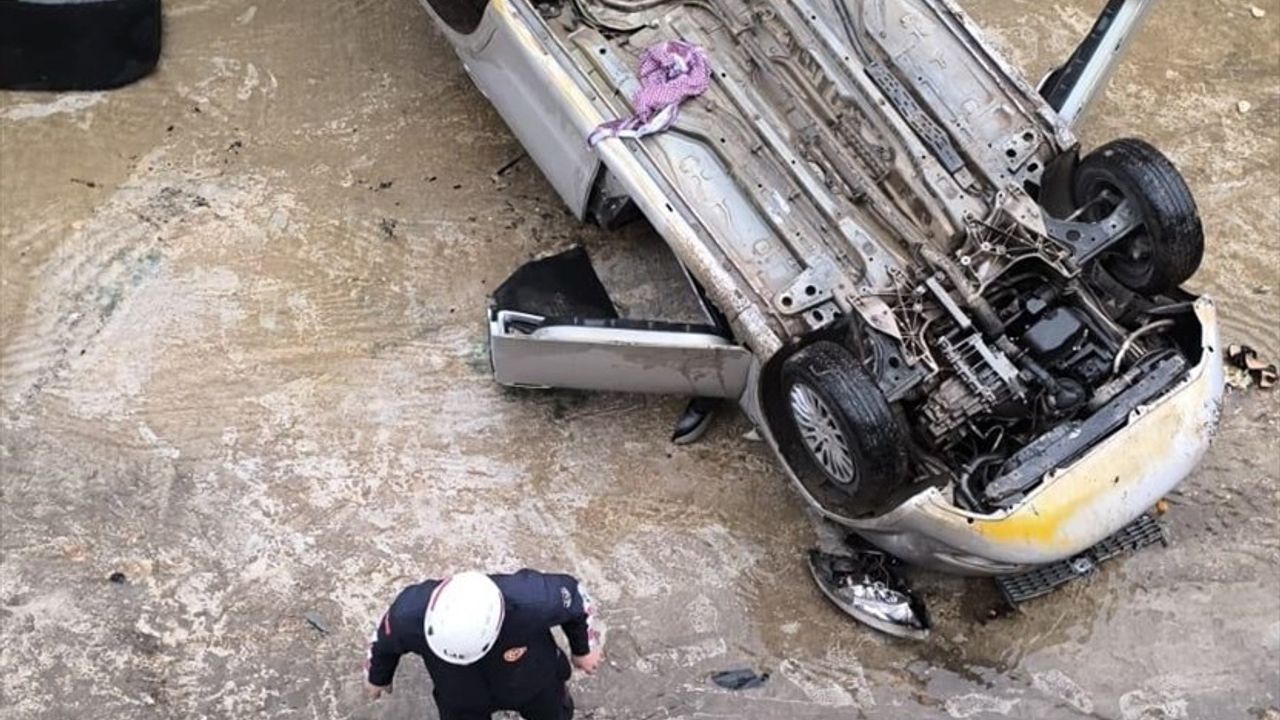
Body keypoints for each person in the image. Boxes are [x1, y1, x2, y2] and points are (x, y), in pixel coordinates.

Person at [364, 569, 603, 720]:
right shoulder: (406, 616)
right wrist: (378, 676)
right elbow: (382, 643)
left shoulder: (534, 598)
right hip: (460, 694)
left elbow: (576, 599)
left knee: (552, 712)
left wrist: (584, 648)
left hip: (534, 679)